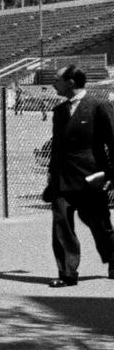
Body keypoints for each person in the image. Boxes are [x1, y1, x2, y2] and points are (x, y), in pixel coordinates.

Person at [40, 64, 114, 287]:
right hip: (63, 179)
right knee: (61, 223)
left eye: (57, 80)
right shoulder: (59, 111)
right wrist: (51, 175)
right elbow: (57, 148)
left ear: (70, 83)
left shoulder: (99, 106)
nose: (54, 84)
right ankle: (67, 273)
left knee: (99, 224)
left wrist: (111, 176)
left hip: (90, 178)